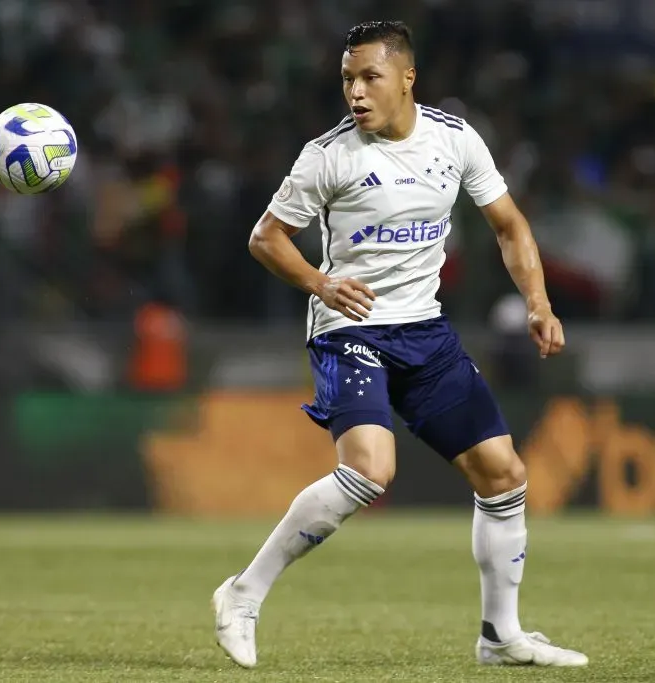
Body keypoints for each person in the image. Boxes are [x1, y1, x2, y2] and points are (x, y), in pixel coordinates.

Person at [212, 20, 588, 669]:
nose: (355, 92)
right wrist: (320, 282)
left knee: (503, 473)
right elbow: (266, 237)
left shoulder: (455, 139)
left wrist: (538, 301)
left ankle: (500, 636)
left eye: (369, 77)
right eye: (347, 80)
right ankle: (242, 593)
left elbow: (508, 224)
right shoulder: (328, 154)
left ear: (406, 78)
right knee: (369, 469)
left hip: (425, 331)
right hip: (349, 330)